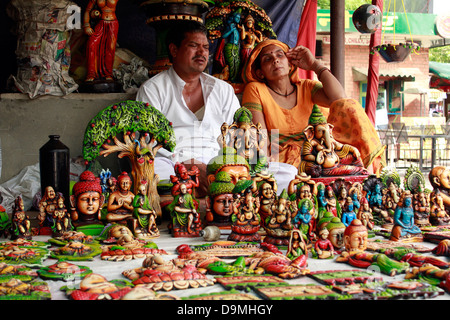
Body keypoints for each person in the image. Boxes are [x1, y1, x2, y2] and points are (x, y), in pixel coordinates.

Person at [241, 39, 385, 187]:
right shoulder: (255, 89)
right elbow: (261, 137)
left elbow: (339, 97)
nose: (275, 60)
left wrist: (315, 65)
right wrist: (264, 172)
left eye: (280, 55)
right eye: (267, 59)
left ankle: (370, 180)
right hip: (282, 159)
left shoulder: (307, 87)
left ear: (290, 64)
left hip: (318, 154)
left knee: (350, 105)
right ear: (260, 73)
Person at [136, 20, 241, 197]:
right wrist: (185, 165)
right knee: (155, 173)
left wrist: (220, 167)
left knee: (284, 173)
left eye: (206, 47)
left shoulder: (223, 90)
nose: (202, 52)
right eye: (193, 45)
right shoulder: (153, 89)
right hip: (172, 165)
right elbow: (148, 143)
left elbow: (238, 135)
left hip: (217, 164)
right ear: (174, 50)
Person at [83, 0, 119, 82]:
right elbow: (87, 11)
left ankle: (108, 74)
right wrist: (86, 25)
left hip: (112, 24)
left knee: (110, 47)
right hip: (101, 23)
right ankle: (91, 73)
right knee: (91, 44)